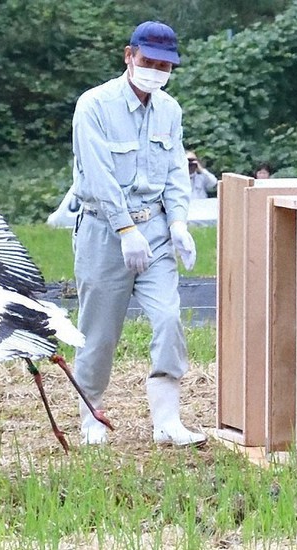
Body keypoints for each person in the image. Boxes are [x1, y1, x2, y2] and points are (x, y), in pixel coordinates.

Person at [70, 20, 206, 447]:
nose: (156, 71)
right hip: (104, 230)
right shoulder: (94, 106)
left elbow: (174, 172)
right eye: (148, 61)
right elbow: (98, 174)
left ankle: (167, 420)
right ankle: (92, 414)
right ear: (129, 55)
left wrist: (180, 221)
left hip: (157, 227)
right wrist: (126, 229)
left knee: (168, 318)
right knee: (99, 331)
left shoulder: (170, 108)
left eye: (165, 65)